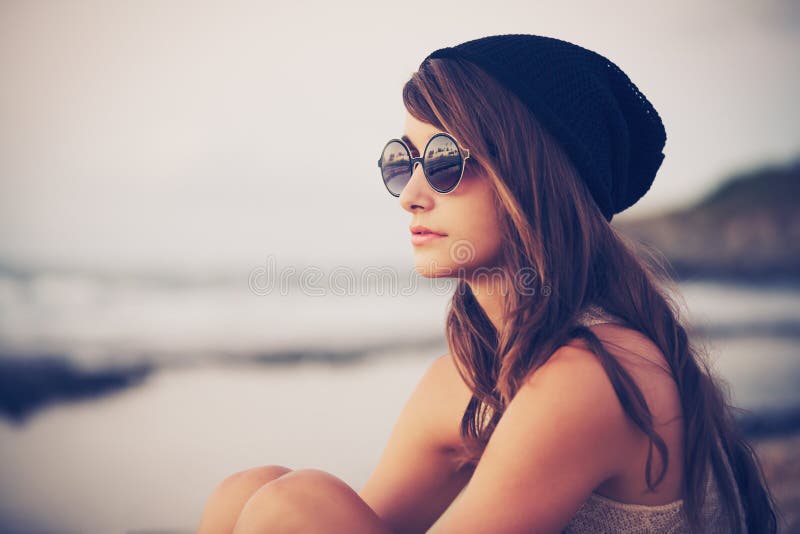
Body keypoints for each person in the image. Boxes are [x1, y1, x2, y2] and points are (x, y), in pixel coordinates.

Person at [197, 33, 779, 533]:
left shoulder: (589, 377)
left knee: (290, 503)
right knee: (248, 492)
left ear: (530, 176)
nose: (410, 195)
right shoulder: (472, 372)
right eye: (403, 162)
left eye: (445, 161)